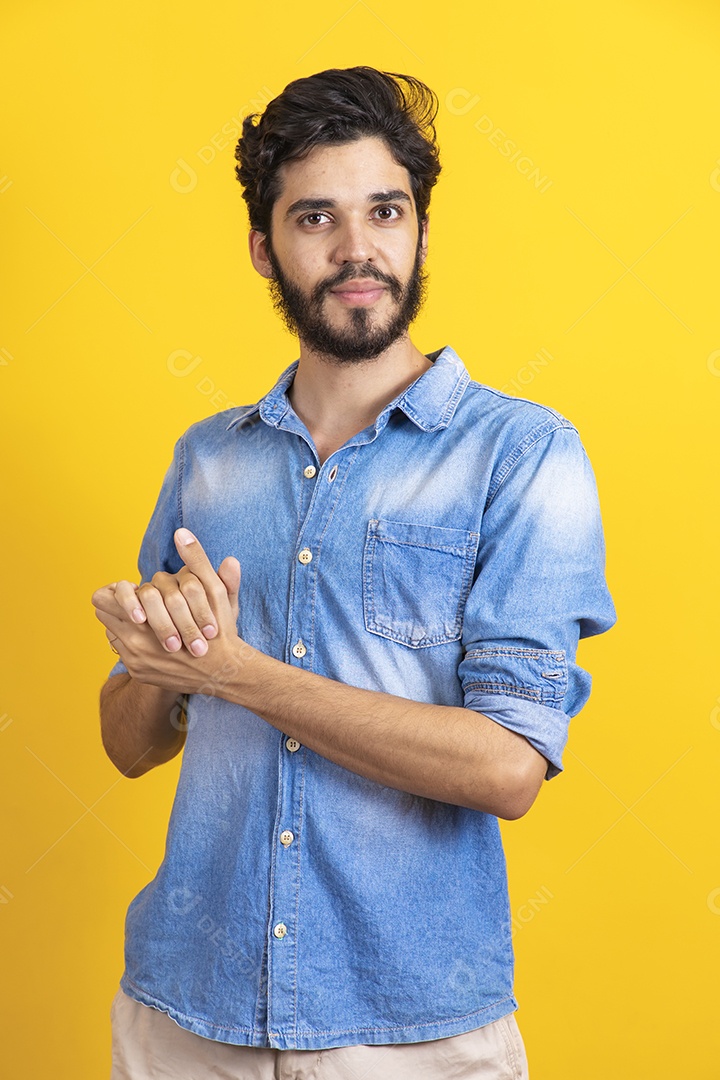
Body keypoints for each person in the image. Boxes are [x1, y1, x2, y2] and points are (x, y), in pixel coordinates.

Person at [92, 66, 616, 1080]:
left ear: (421, 230)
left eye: (385, 210)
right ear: (265, 248)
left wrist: (233, 671)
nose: (356, 250)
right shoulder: (210, 457)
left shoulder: (522, 455)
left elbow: (509, 768)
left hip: (407, 1032)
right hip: (183, 1014)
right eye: (315, 219)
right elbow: (127, 743)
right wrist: (162, 665)